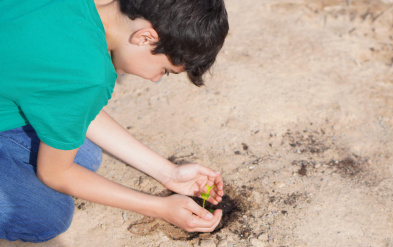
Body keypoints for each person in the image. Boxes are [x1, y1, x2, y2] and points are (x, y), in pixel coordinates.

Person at [0, 0, 229, 243]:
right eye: (164, 70)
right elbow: (55, 174)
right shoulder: (88, 73)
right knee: (44, 213)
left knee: (84, 154)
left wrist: (169, 173)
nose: (154, 79)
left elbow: (70, 105)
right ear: (144, 37)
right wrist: (160, 207)